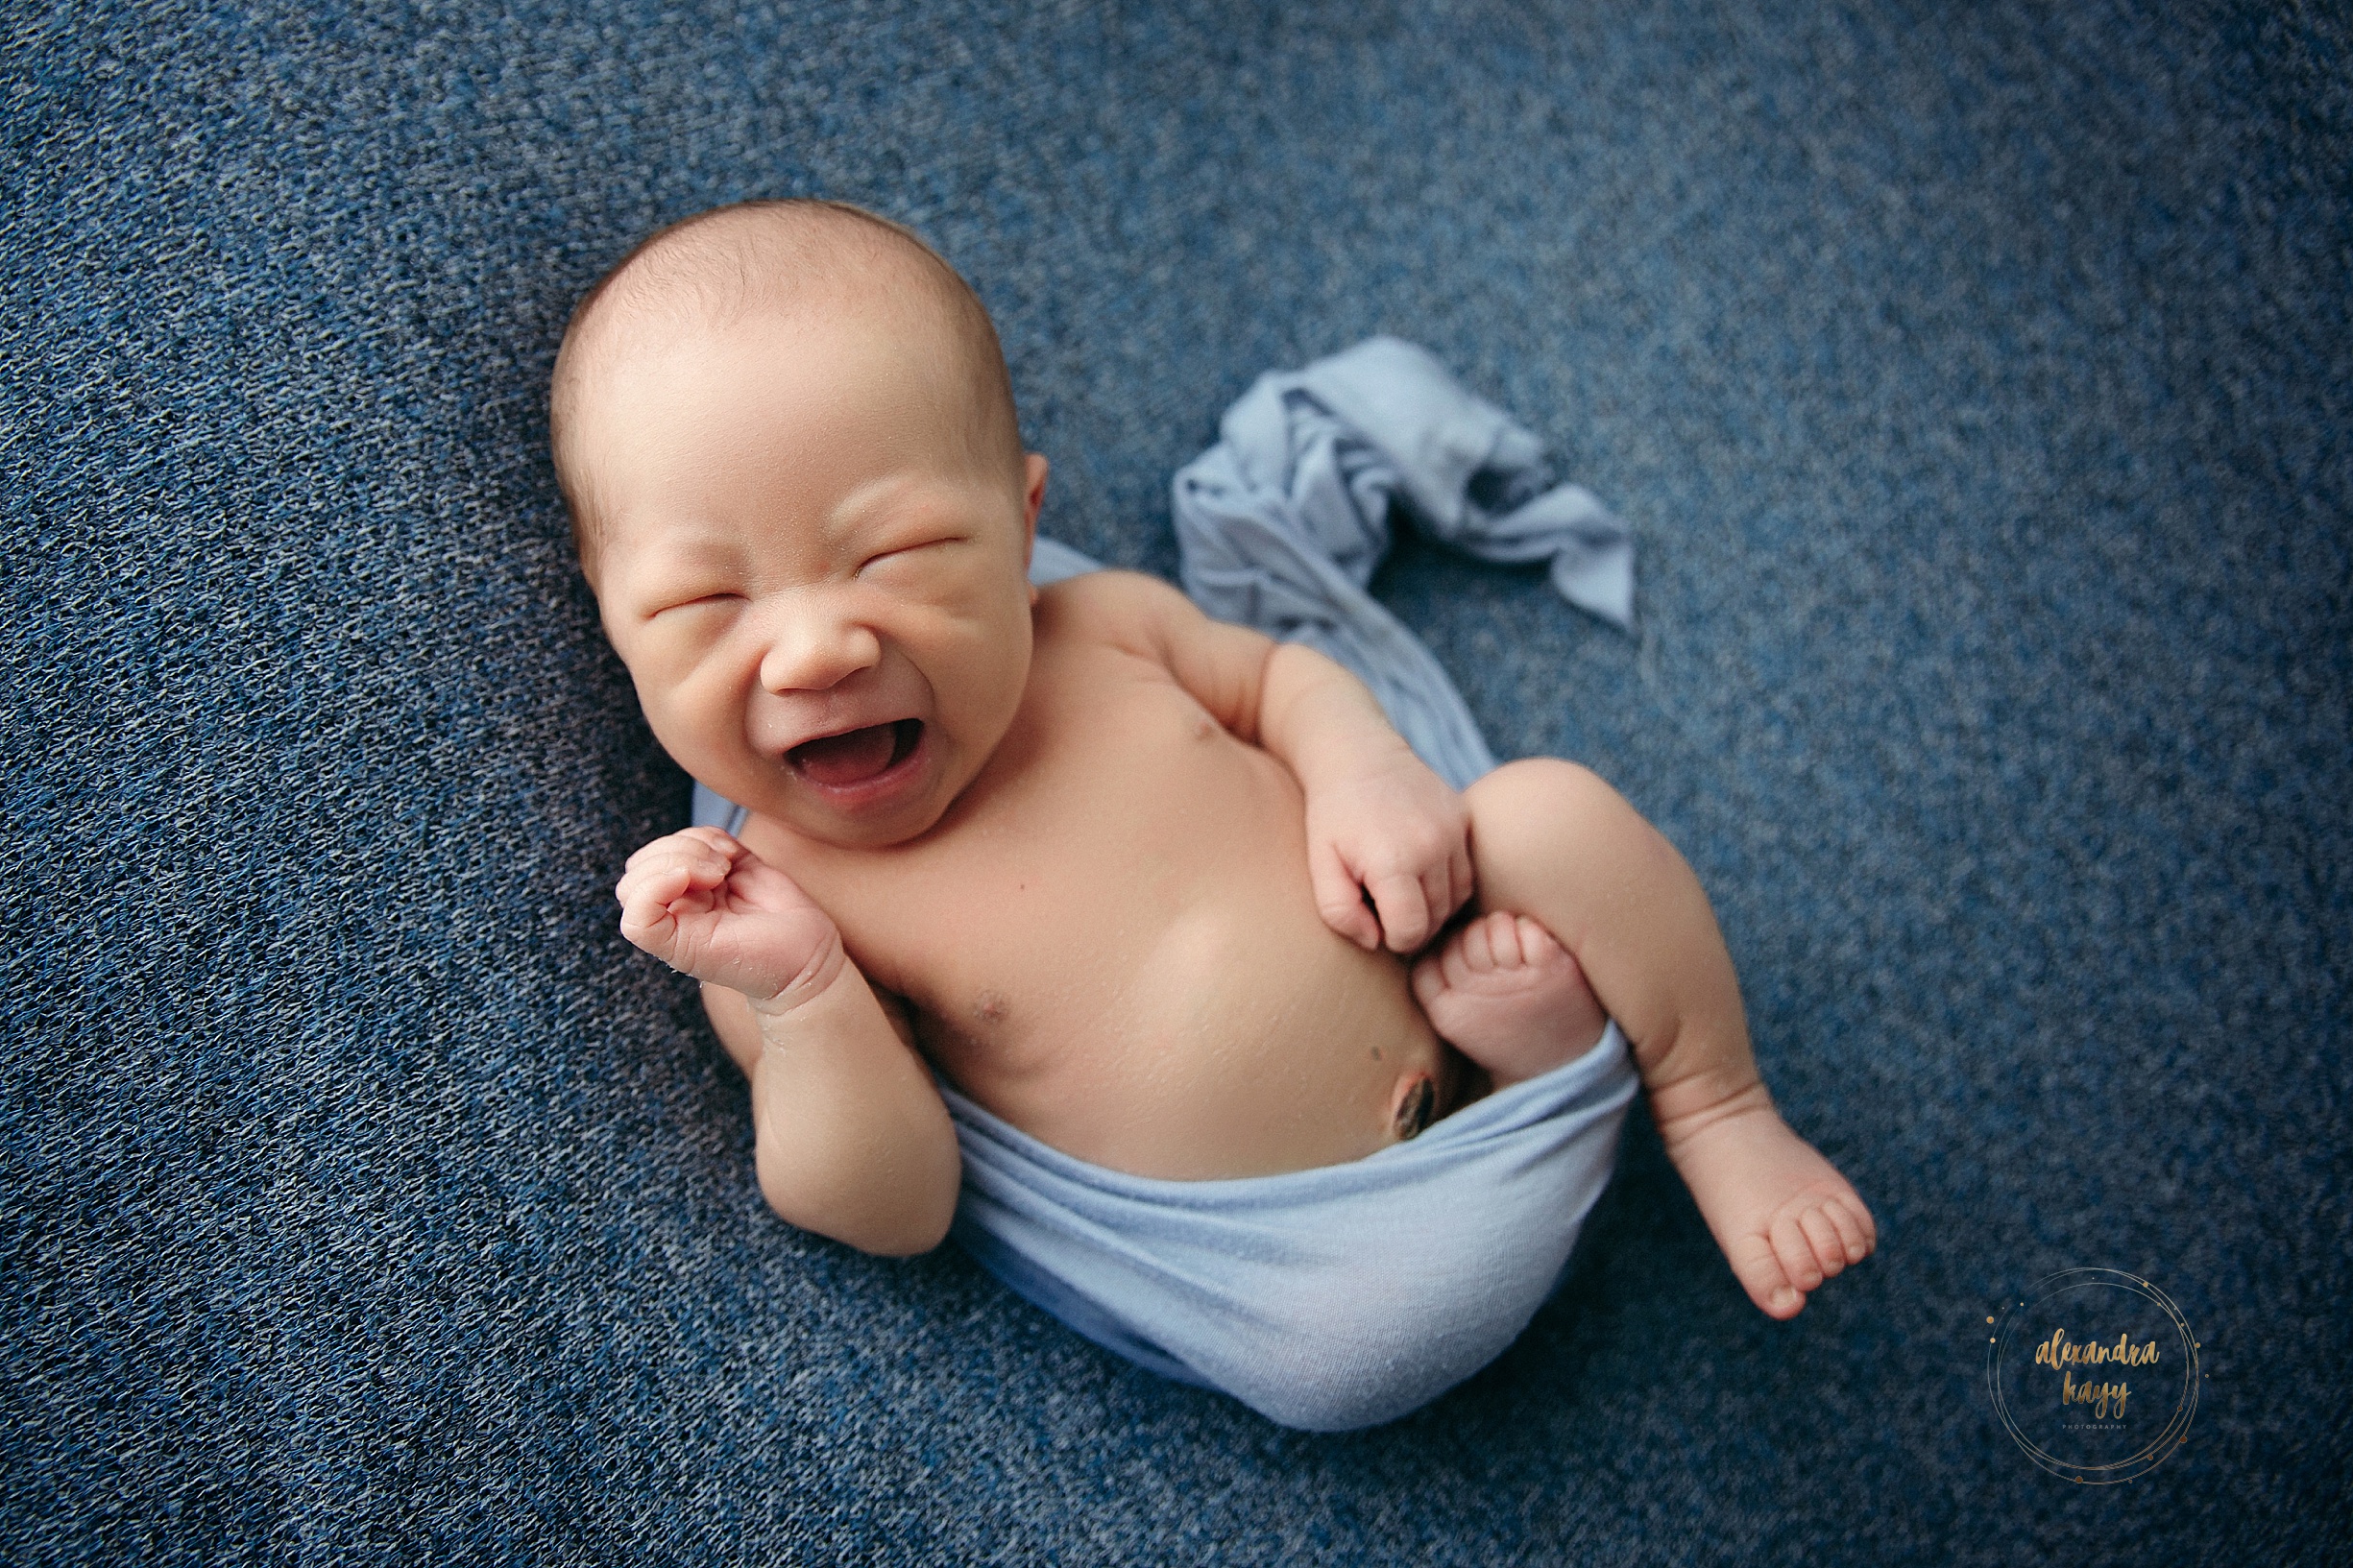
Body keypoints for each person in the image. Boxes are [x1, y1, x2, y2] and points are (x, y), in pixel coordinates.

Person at [552, 199, 1875, 1419]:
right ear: (613, 623)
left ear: (1021, 527)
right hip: (1317, 1263)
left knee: (1552, 816)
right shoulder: (782, 907)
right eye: (704, 605)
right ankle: (1541, 1047)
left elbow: (1280, 677)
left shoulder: (1098, 628)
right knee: (1338, 1357)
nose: (814, 653)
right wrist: (802, 998)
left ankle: (1709, 1103)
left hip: (1440, 966)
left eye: (894, 554)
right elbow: (894, 1205)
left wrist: (1363, 768)